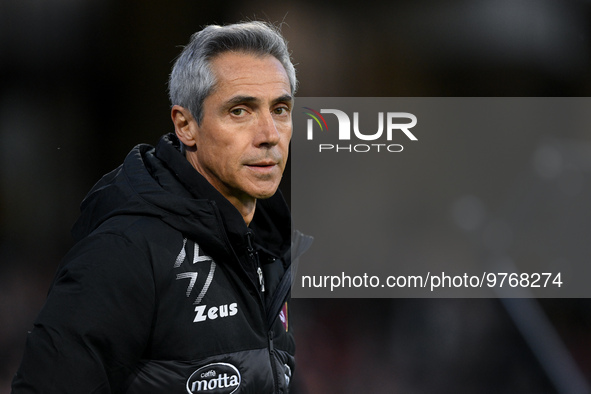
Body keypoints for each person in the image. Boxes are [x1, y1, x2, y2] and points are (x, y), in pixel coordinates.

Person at [12, 21, 310, 393]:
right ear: (186, 126)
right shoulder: (127, 252)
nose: (269, 135)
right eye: (240, 111)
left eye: (280, 109)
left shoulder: (268, 248)